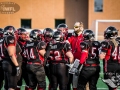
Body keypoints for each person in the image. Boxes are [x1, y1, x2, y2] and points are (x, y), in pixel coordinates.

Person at [99, 26, 120, 90]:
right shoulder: (119, 41)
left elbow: (101, 57)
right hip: (119, 66)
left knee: (112, 87)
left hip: (109, 67)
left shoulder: (107, 43)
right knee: (115, 87)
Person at [2, 26, 22, 90]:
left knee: (7, 85)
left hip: (5, 62)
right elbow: (11, 54)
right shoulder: (10, 38)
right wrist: (17, 66)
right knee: (12, 86)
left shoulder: (2, 39)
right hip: (11, 63)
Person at [67, 22, 84, 90]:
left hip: (83, 61)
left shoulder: (84, 37)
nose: (74, 28)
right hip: (74, 62)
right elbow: (66, 42)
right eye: (74, 26)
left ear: (81, 27)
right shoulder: (73, 37)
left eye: (76, 27)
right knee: (74, 82)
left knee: (84, 82)